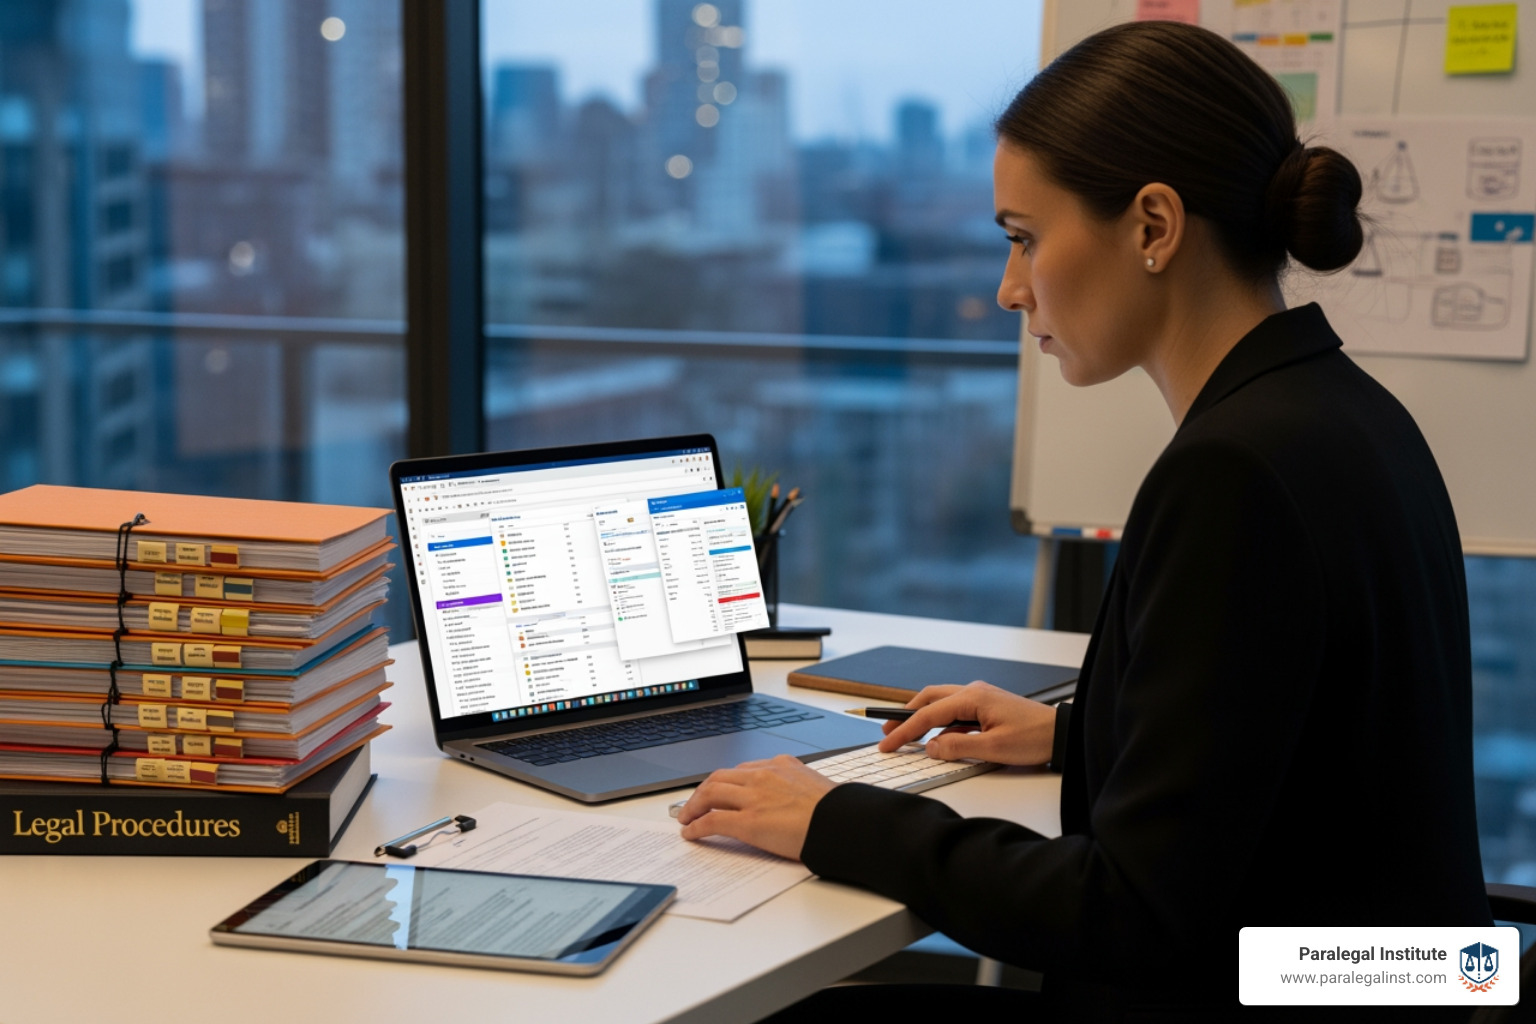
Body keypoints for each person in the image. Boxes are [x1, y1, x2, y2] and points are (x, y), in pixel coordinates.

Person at [673, 19, 1491, 1022]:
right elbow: (1294, 752)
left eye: (1023, 238)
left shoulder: (1234, 472)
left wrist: (835, 818)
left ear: (1153, 225)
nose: (1012, 289)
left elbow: (1135, 916)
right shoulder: (1341, 411)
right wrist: (1082, 736)